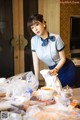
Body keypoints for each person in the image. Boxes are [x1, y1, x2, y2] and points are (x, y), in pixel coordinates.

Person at [27, 14, 76, 87]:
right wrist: (36, 79)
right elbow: (35, 61)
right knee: (53, 93)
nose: (35, 29)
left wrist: (55, 69)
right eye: (32, 27)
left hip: (66, 69)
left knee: (64, 94)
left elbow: (63, 59)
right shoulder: (33, 40)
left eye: (37, 24)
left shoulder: (56, 38)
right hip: (52, 71)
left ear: (43, 23)